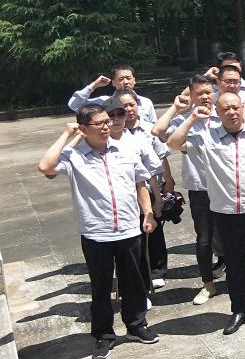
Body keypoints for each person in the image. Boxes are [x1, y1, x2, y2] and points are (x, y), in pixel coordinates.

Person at [38, 105, 159, 359]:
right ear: (83, 128)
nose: (107, 126)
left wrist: (147, 212)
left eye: (108, 121)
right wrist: (66, 134)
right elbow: (45, 166)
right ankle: (104, 335)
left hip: (128, 229)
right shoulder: (73, 156)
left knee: (134, 283)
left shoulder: (125, 149)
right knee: (101, 287)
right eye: (100, 123)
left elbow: (140, 183)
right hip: (96, 233)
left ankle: (137, 325)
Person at [166, 93, 245, 335]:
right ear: (217, 112)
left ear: (243, 107)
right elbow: (173, 142)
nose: (231, 112)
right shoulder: (206, 137)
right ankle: (239, 310)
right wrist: (192, 117)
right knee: (233, 264)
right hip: (225, 213)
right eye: (225, 109)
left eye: (235, 107)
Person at [150, 75, 226, 304]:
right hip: (200, 189)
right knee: (204, 238)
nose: (205, 97)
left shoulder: (224, 114)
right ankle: (208, 284)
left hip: (226, 187)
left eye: (208, 92)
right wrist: (179, 109)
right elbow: (158, 132)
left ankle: (235, 280)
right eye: (199, 93)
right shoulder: (184, 119)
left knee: (231, 236)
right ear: (191, 95)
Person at [105, 90, 174, 289]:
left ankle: (152, 275)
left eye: (121, 114)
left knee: (150, 235)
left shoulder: (139, 139)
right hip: (115, 201)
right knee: (125, 244)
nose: (118, 118)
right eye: (112, 115)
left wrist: (158, 199)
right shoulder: (100, 142)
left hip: (143, 194)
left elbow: (151, 171)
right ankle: (130, 283)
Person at [68, 64, 158, 123]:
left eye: (128, 78)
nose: (125, 82)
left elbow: (153, 127)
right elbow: (74, 105)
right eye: (121, 79)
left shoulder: (146, 102)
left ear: (134, 80)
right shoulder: (103, 102)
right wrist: (94, 85)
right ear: (113, 82)